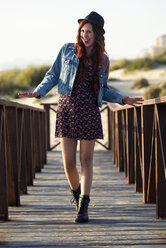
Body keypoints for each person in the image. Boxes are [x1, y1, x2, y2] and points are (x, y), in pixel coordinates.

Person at [18, 11, 143, 223]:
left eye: (89, 32)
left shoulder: (103, 59)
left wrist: (123, 98)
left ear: (98, 34)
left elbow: (104, 90)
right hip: (66, 109)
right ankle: (76, 196)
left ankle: (84, 206)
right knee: (68, 164)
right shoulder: (67, 50)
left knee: (86, 160)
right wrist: (38, 92)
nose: (85, 35)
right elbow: (52, 75)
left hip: (89, 111)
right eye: (82, 31)